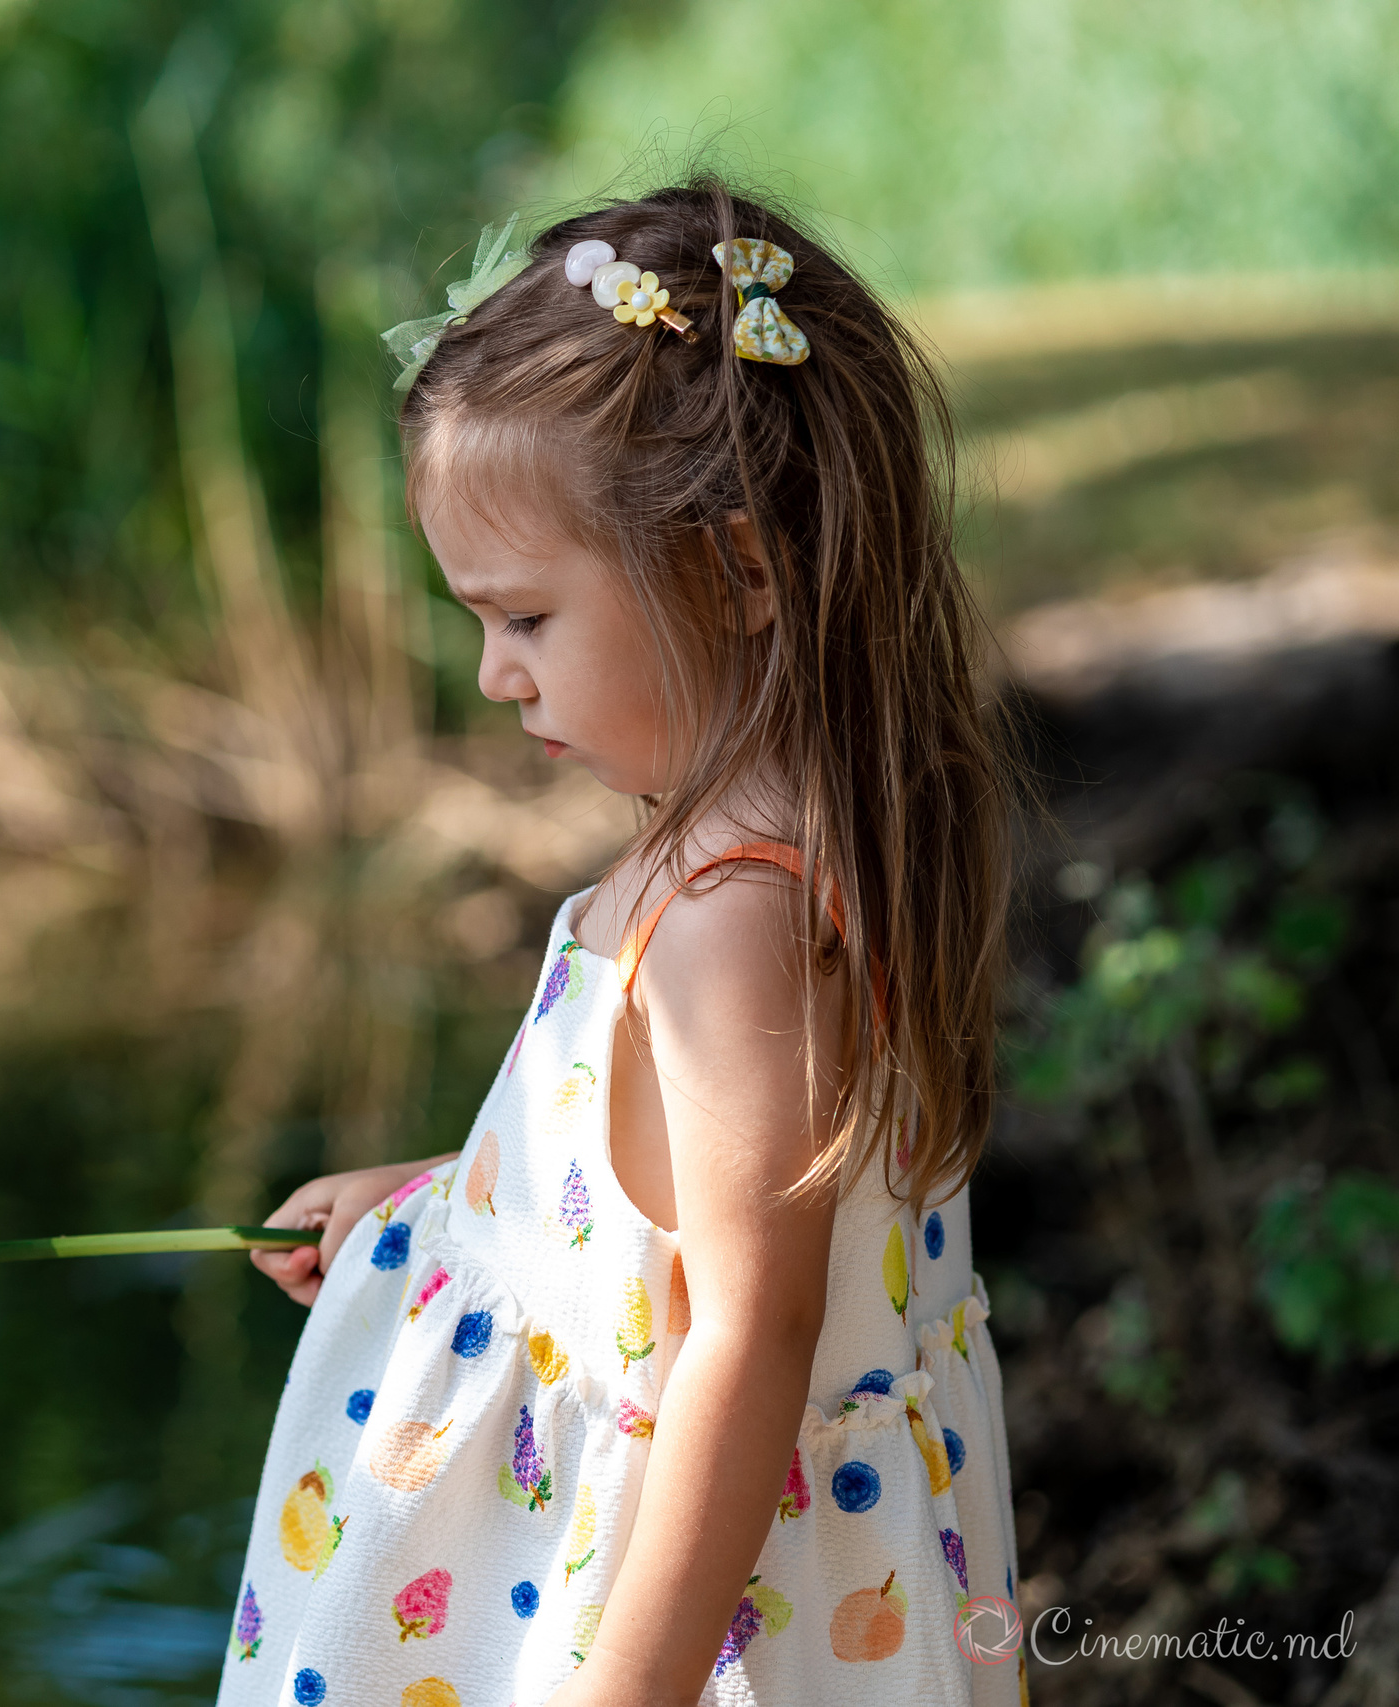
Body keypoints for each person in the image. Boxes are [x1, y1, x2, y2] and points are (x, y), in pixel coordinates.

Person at [224, 181, 1025, 1707]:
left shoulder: (736, 913)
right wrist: (456, 1206)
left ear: (736, 572)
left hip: (672, 1624)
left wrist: (623, 1694)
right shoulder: (746, 830)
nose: (492, 676)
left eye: (523, 618)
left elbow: (750, 1336)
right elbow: (678, 1223)